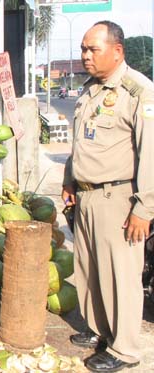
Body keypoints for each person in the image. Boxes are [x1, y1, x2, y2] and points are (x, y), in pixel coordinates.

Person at [61, 21, 153, 372]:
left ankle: (125, 349)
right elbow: (81, 143)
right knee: (90, 271)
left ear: (117, 51)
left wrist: (144, 208)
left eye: (92, 49)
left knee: (121, 276)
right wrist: (70, 179)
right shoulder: (91, 89)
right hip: (86, 197)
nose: (85, 55)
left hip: (118, 198)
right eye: (83, 49)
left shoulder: (138, 92)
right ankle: (101, 330)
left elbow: (151, 154)